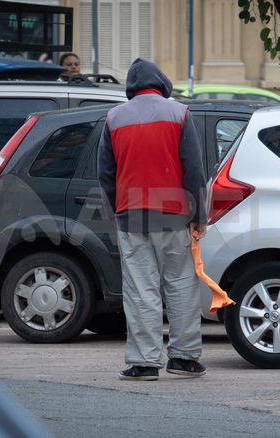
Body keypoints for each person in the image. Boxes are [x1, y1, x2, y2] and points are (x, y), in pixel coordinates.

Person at [98, 58, 208, 381]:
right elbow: (195, 171)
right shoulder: (180, 113)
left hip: (131, 216)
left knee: (140, 289)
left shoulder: (114, 118)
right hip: (175, 214)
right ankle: (184, 358)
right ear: (161, 83)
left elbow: (105, 173)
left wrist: (116, 209)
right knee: (181, 285)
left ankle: (144, 363)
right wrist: (199, 215)